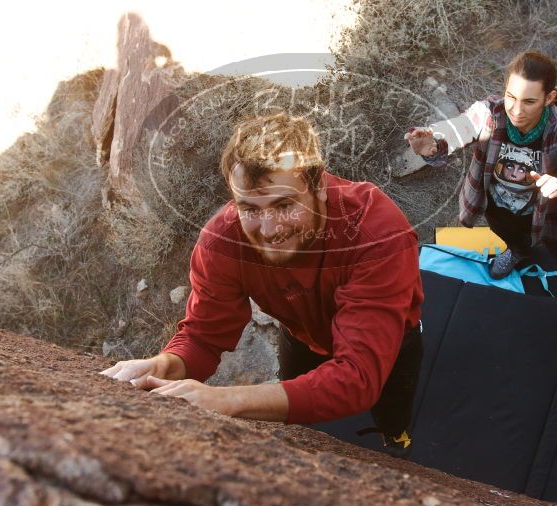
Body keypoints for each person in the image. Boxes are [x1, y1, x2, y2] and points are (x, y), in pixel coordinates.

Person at [101, 113, 424, 455]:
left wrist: (227, 399)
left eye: (284, 204)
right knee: (296, 427)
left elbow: (358, 377)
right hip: (302, 334)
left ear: (318, 186)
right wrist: (164, 364)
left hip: (393, 339)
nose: (269, 230)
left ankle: (394, 440)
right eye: (250, 209)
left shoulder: (376, 232)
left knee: (392, 416)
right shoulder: (224, 242)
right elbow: (204, 336)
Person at [405, 51, 557, 358]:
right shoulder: (491, 111)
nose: (517, 110)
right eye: (511, 97)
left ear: (549, 97)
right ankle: (519, 250)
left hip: (550, 212)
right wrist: (432, 145)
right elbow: (459, 128)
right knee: (511, 237)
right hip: (501, 206)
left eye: (530, 101)